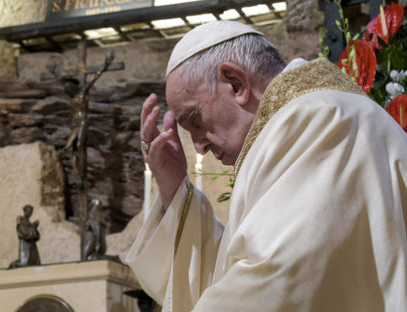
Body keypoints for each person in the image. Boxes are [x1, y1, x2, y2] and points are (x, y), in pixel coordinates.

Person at [125, 21, 407, 311]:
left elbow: (280, 279)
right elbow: (234, 270)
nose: (199, 146)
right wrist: (174, 188)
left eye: (195, 120)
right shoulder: (303, 122)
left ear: (236, 83)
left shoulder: (321, 121)